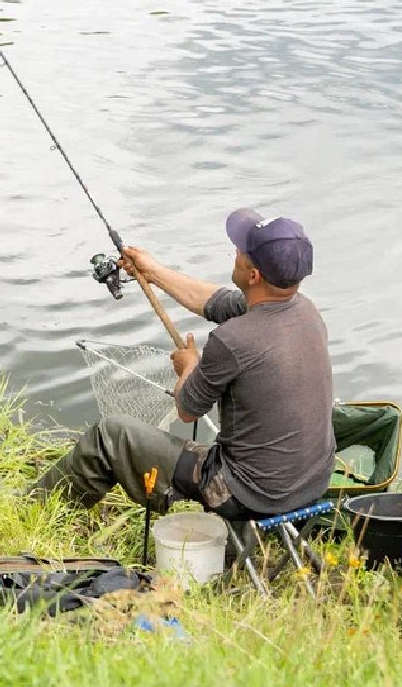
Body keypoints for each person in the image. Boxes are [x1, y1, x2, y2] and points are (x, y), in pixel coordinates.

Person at [30, 208, 335, 521]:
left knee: (110, 435)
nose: (235, 252)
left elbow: (188, 409)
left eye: (241, 251)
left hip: (248, 495)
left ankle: (34, 515)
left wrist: (190, 365)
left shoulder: (232, 339)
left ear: (253, 275)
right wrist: (152, 271)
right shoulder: (305, 311)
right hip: (312, 481)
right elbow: (215, 301)